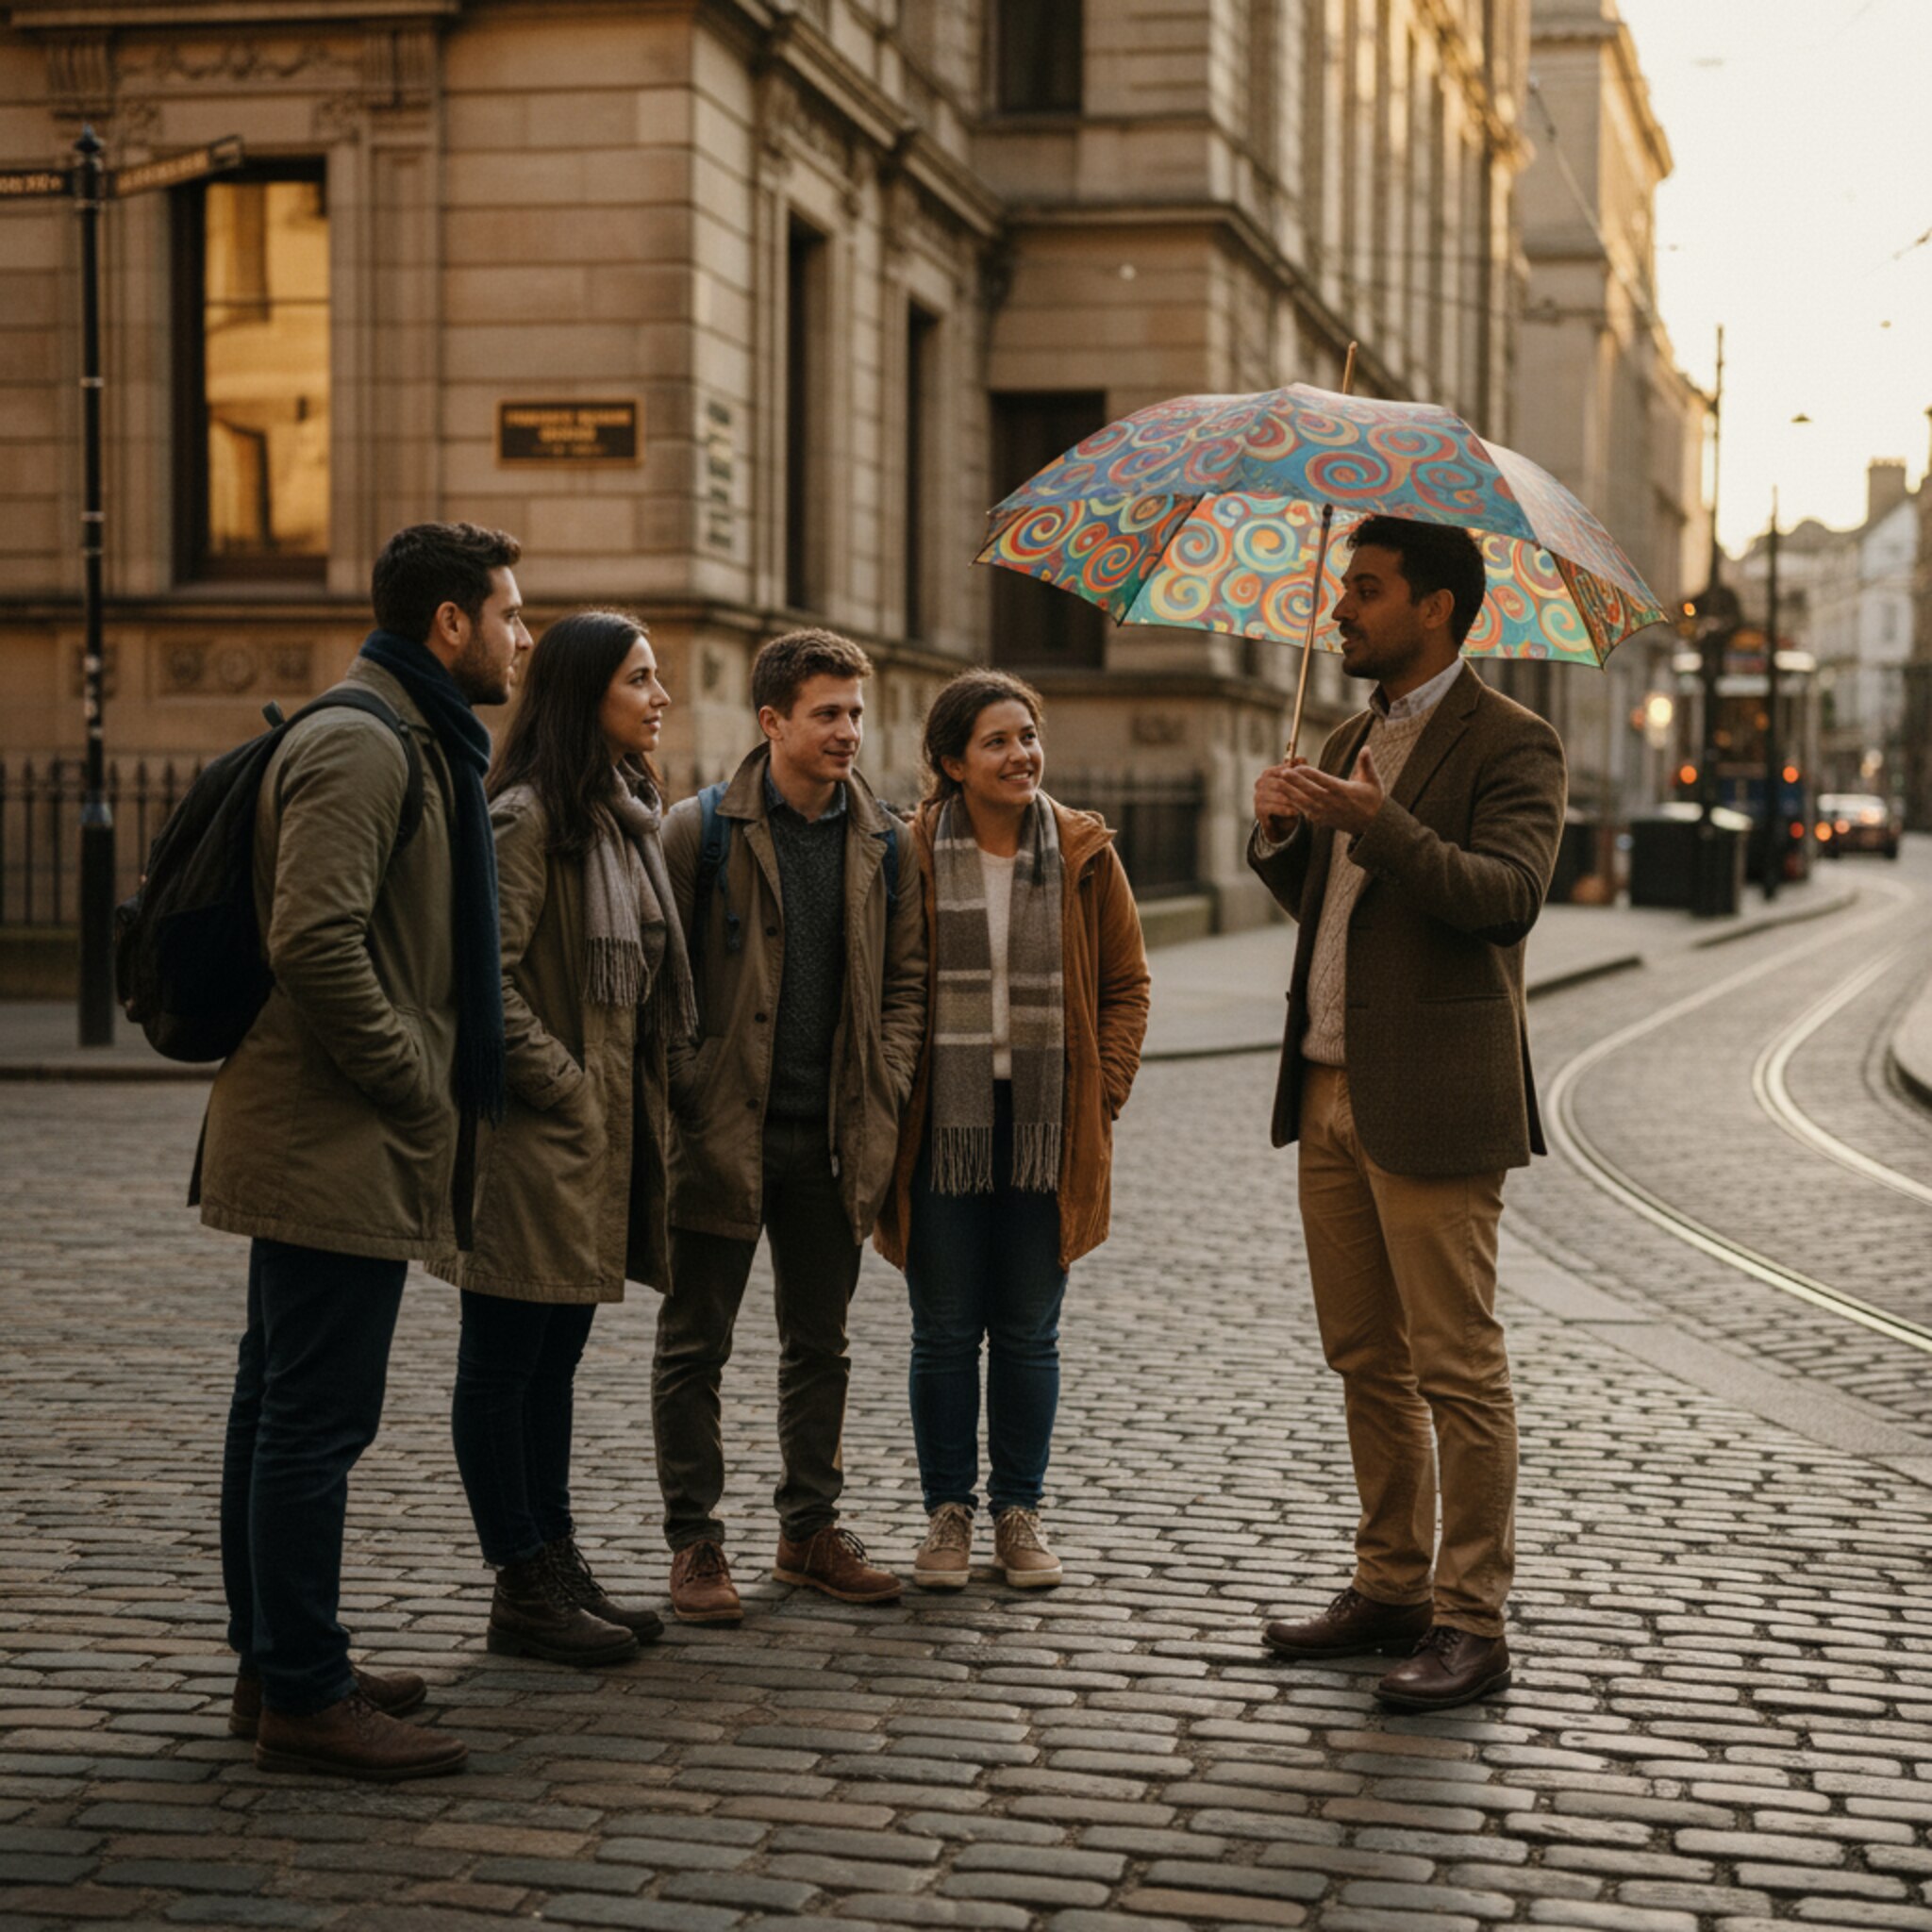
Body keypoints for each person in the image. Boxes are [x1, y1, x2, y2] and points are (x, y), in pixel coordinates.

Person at [204, 522, 530, 1779]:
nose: (519, 638)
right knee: (310, 1417)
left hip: (335, 1132)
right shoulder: (363, 739)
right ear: (449, 624)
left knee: (281, 1403)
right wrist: (416, 1087)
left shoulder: (412, 734)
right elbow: (316, 939)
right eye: (508, 614)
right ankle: (300, 1688)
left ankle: (279, 1658)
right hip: (332, 1133)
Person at [1247, 514, 1565, 1713]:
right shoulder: (1344, 731)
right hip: (1328, 1082)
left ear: (1432, 606)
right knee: (1362, 1357)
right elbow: (1335, 909)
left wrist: (1372, 821)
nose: (1340, 608)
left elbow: (1505, 898)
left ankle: (1470, 1620)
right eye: (1345, 586)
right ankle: (1388, 1583)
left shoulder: (1511, 741)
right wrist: (1284, 832)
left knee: (1456, 1367)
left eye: (1365, 590)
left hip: (1433, 1099)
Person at [429, 610, 697, 1667]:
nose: (659, 695)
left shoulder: (619, 816)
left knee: (552, 1362)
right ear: (586, 695)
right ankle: (521, 1581)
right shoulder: (529, 816)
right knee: (502, 1362)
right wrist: (572, 1087)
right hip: (530, 1139)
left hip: (591, 1147)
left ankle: (555, 1555)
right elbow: (478, 982)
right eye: (639, 678)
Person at [652, 628, 926, 1623]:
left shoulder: (885, 842)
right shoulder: (698, 832)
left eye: (855, 712)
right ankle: (696, 1543)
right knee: (695, 1344)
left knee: (821, 1342)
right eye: (827, 712)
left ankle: (809, 1528)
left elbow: (906, 980)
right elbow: (661, 979)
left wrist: (888, 1076)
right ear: (771, 720)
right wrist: (688, 1082)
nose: (848, 730)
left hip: (834, 1136)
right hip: (721, 1130)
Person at [874, 672, 1149, 1591]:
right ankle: (947, 1513)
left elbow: (1125, 984)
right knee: (944, 1330)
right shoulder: (904, 853)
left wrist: (1098, 1094)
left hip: (1044, 1125)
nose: (1020, 754)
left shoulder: (1081, 851)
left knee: (1028, 1332)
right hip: (938, 1123)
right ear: (951, 761)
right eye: (996, 740)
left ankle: (1016, 1511)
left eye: (1027, 735)